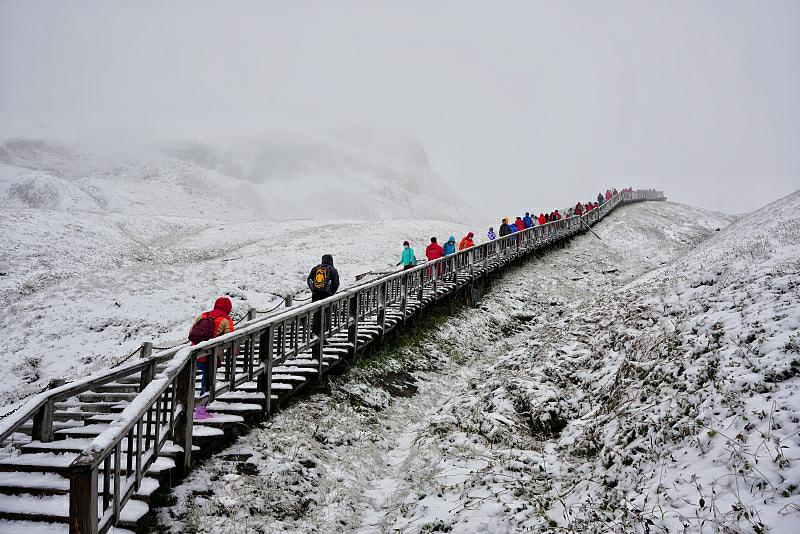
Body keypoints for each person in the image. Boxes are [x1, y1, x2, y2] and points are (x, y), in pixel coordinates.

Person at [188, 296, 235, 420]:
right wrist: (234, 352)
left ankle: (188, 405)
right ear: (228, 308)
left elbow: (192, 331)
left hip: (194, 353)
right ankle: (201, 409)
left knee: (194, 379)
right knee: (207, 380)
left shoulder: (204, 315)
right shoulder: (226, 319)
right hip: (210, 355)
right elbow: (230, 339)